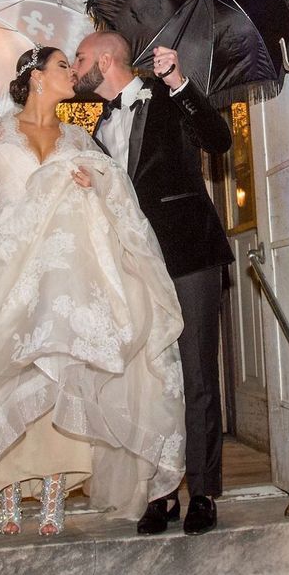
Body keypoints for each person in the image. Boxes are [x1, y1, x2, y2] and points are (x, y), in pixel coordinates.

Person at [0, 44, 185, 536]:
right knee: (8, 368)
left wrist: (94, 183)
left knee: (62, 368)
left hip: (64, 272)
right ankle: (3, 485)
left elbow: (115, 188)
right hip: (11, 266)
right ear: (37, 77)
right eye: (64, 65)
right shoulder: (0, 128)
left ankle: (52, 484)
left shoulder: (78, 136)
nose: (74, 73)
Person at [72, 31, 233, 536]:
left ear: (105, 59)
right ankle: (160, 491)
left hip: (188, 255)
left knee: (197, 374)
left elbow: (219, 139)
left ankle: (203, 491)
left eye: (78, 59)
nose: (75, 69)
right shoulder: (99, 124)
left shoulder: (166, 95)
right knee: (153, 384)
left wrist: (180, 82)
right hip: (136, 268)